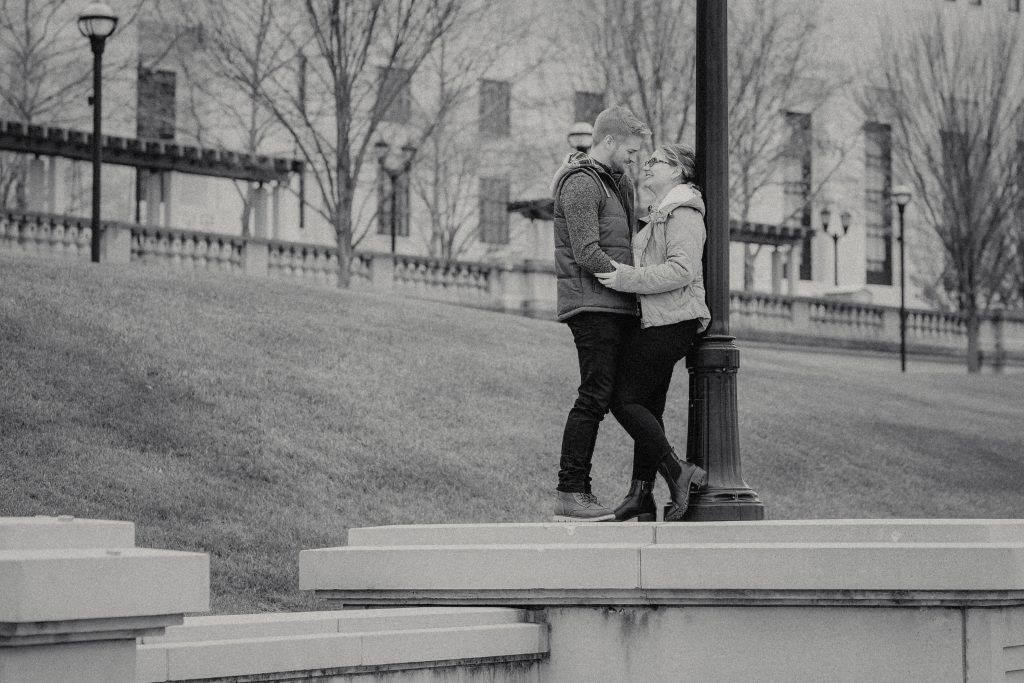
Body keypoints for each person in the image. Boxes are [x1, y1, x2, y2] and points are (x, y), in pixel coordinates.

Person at [594, 143, 712, 522]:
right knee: (649, 407)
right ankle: (641, 494)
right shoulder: (661, 213)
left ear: (678, 171)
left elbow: (682, 270)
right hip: (657, 319)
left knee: (623, 399)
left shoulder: (684, 212)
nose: (647, 166)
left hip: (674, 320)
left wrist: (627, 279)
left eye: (656, 161)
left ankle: (679, 473)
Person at [549, 106, 651, 522]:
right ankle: (571, 491)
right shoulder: (580, 184)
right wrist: (634, 281)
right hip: (592, 306)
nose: (634, 158)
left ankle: (652, 484)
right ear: (609, 141)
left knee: (621, 397)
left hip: (618, 304)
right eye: (630, 149)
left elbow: (630, 239)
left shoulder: (619, 183)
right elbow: (587, 252)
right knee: (593, 397)